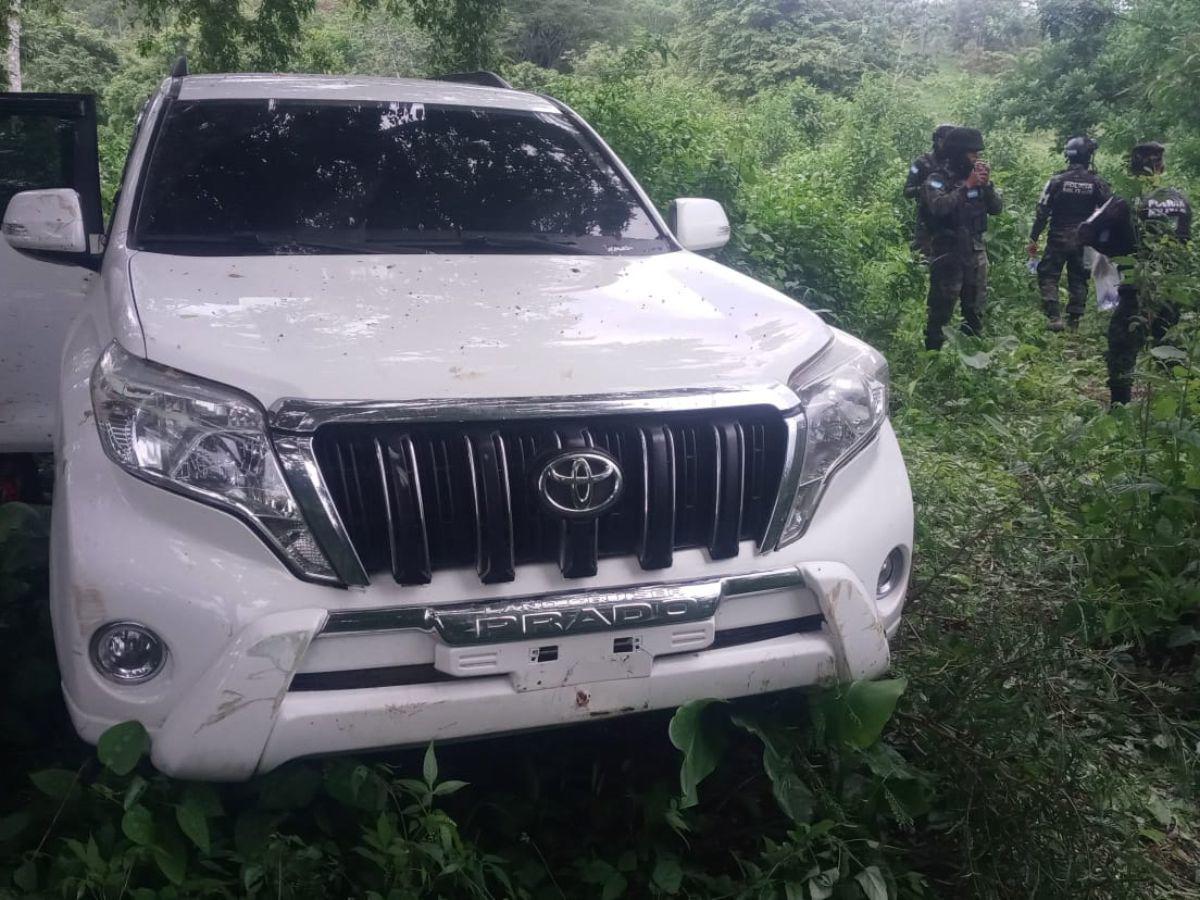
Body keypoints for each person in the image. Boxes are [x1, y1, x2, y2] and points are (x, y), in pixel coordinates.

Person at [1099, 142, 1192, 404]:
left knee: (1121, 346)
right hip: (1172, 286)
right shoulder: (1180, 200)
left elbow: (1089, 232)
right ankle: (1175, 406)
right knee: (1170, 346)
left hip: (1135, 284)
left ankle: (1120, 407)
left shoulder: (1124, 201)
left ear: (1131, 168)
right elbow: (1186, 242)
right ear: (1161, 167)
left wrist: (1118, 253)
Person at [919, 127, 1003, 350]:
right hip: (948, 252)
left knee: (975, 308)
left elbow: (996, 209)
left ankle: (973, 356)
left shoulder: (976, 179)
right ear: (958, 153)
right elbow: (939, 207)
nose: (976, 158)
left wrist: (986, 186)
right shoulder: (937, 179)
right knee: (941, 310)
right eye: (972, 153)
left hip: (975, 251)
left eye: (978, 153)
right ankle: (933, 357)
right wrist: (967, 187)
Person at [1027, 136, 1111, 332]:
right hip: (1084, 239)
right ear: (1088, 156)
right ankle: (1074, 321)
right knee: (1079, 277)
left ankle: (1054, 317)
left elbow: (1042, 212)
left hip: (1058, 237)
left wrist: (1033, 237)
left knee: (1048, 274)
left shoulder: (1056, 181)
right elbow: (1108, 211)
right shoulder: (1097, 182)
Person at [905, 124, 956, 257]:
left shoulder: (955, 163)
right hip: (927, 220)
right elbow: (907, 191)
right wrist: (923, 189)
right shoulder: (921, 163)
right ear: (937, 140)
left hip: (950, 221)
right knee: (923, 259)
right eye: (944, 141)